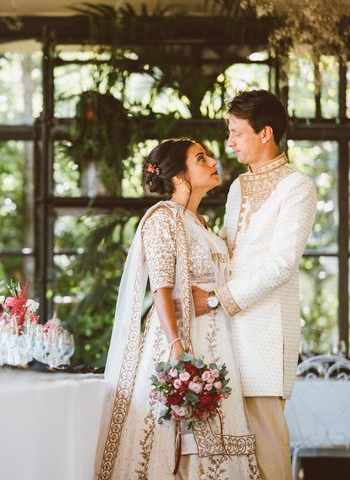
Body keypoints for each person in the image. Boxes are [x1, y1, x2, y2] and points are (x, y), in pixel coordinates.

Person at [95, 138, 259, 480]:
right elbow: (162, 290)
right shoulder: (163, 218)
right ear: (180, 177)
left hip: (217, 344)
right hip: (180, 342)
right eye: (201, 158)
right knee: (176, 443)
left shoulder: (200, 223)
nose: (214, 161)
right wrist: (176, 348)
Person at [191, 90, 317, 480]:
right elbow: (228, 251)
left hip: (265, 329)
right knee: (233, 452)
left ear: (265, 133)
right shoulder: (239, 188)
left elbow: (281, 265)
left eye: (236, 132)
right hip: (226, 331)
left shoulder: (298, 187)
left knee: (267, 445)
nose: (229, 143)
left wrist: (215, 300)